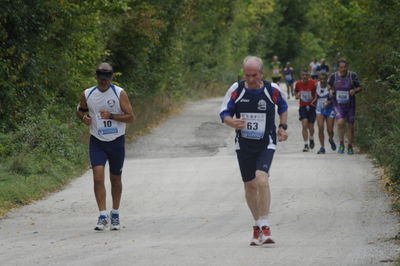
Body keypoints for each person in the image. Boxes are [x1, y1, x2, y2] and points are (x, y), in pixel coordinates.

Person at [220, 56, 288, 246]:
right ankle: (257, 224)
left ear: (262, 73)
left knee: (261, 178)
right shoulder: (237, 89)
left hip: (266, 142)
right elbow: (224, 112)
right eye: (247, 75)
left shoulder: (272, 90)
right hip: (244, 144)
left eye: (254, 75)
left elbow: (283, 106)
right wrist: (231, 121)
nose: (250, 79)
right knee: (249, 185)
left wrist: (283, 126)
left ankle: (265, 226)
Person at [76, 62, 135, 231]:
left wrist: (112, 116)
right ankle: (102, 215)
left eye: (106, 78)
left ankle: (115, 213)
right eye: (101, 78)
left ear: (111, 77)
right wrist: (83, 118)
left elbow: (131, 117)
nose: (103, 81)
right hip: (97, 141)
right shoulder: (88, 94)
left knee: (115, 179)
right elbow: (80, 110)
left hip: (116, 141)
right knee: (97, 177)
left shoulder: (119, 93)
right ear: (96, 77)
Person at [328, 58, 362, 155]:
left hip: (350, 105)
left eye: (345, 67)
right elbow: (329, 85)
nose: (343, 69)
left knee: (350, 126)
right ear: (338, 68)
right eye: (341, 67)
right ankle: (342, 144)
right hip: (338, 104)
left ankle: (350, 146)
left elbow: (360, 87)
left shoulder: (352, 75)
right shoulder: (333, 76)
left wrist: (354, 91)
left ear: (347, 67)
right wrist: (330, 91)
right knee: (340, 123)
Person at [295, 69, 317, 152]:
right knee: (304, 125)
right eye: (303, 75)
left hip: (312, 106)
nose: (304, 77)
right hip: (303, 107)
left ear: (309, 76)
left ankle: (311, 138)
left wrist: (313, 98)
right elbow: (296, 94)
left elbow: (318, 94)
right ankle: (306, 144)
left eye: (306, 75)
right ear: (301, 76)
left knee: (311, 127)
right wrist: (297, 95)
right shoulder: (298, 84)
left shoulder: (313, 83)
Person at [314, 72, 336, 154]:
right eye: (321, 79)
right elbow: (313, 93)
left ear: (327, 79)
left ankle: (330, 139)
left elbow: (335, 99)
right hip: (320, 109)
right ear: (319, 79)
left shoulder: (330, 87)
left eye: (324, 79)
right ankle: (322, 147)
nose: (322, 81)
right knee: (320, 127)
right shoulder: (316, 85)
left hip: (330, 109)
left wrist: (329, 102)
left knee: (330, 130)